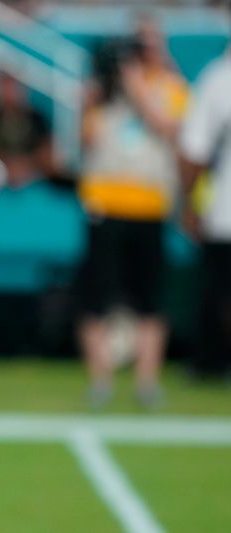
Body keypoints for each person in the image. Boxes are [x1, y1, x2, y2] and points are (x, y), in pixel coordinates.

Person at [76, 16, 189, 408]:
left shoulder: (171, 89)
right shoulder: (104, 93)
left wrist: (137, 86)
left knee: (149, 297)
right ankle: (101, 379)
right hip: (106, 203)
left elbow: (170, 128)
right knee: (95, 295)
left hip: (149, 205)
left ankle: (146, 380)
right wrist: (94, 97)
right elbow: (86, 141)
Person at [178, 4, 231, 381]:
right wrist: (192, 204)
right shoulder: (219, 79)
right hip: (225, 209)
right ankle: (211, 362)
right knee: (218, 292)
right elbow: (194, 150)